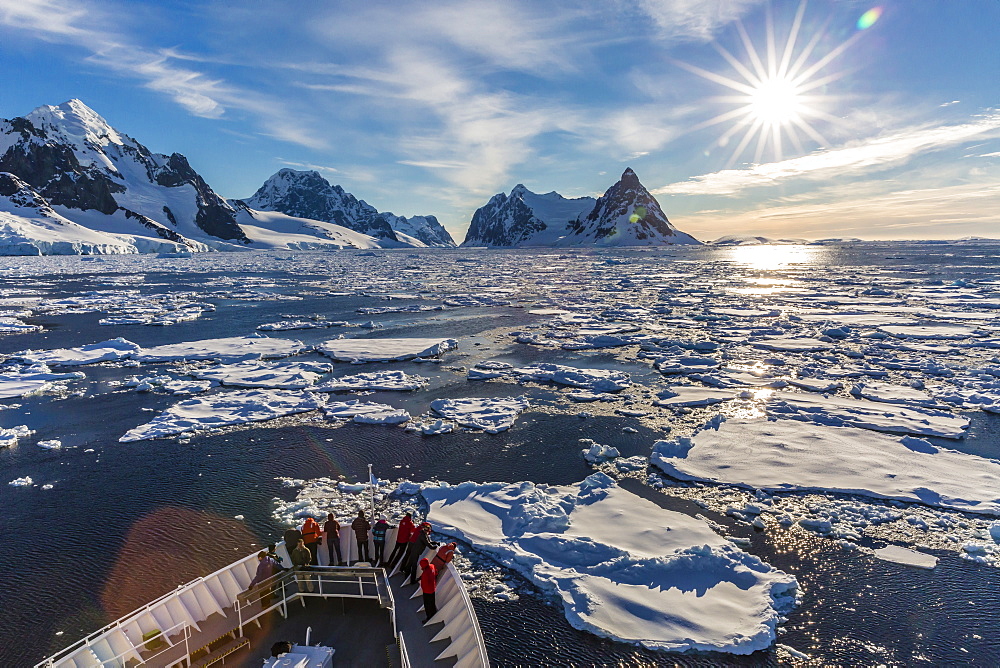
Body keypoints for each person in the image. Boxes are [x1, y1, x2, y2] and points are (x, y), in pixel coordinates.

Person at [419, 557, 438, 623]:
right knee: (432, 602)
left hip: (427, 591)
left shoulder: (425, 573)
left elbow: (423, 584)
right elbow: (436, 573)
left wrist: (423, 589)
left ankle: (429, 617)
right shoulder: (432, 566)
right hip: (433, 588)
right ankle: (434, 612)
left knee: (427, 605)